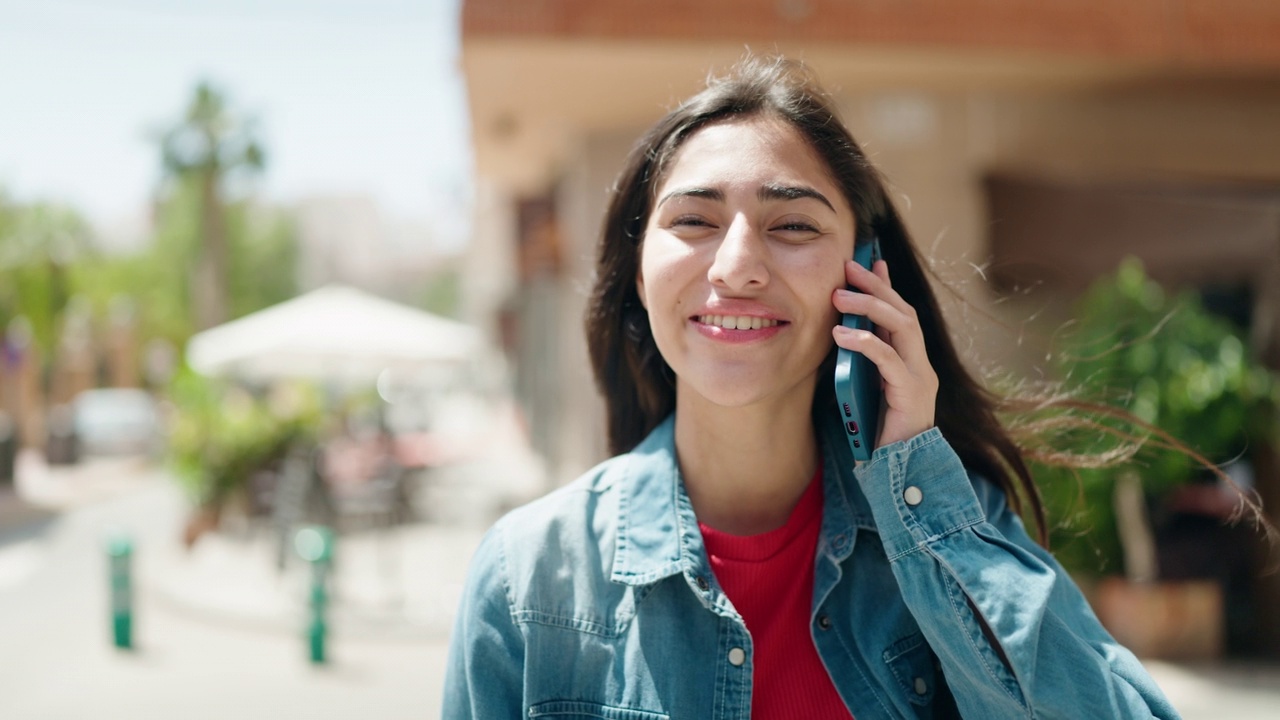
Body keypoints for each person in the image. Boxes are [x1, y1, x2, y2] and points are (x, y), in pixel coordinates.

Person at [443, 55, 1181, 719]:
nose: (736, 266)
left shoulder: (951, 529)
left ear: (864, 276)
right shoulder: (527, 575)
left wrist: (918, 483)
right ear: (639, 274)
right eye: (693, 220)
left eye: (793, 225)